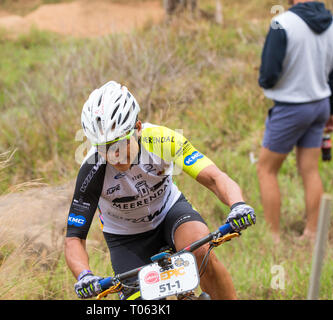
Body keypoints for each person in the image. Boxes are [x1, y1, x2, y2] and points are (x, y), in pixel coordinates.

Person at [64, 81, 256, 300]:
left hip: (170, 214)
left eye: (119, 143)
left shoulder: (162, 140)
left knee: (200, 253)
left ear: (137, 129)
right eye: (103, 147)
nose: (112, 155)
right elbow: (74, 239)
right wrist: (84, 275)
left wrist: (238, 205)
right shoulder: (92, 170)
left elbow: (214, 178)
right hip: (126, 238)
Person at [257, 0, 333, 243]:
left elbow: (269, 74)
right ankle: (312, 234)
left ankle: (273, 237)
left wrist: (267, 82)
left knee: (266, 169)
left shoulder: (281, 23)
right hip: (321, 106)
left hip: (290, 107)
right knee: (310, 169)